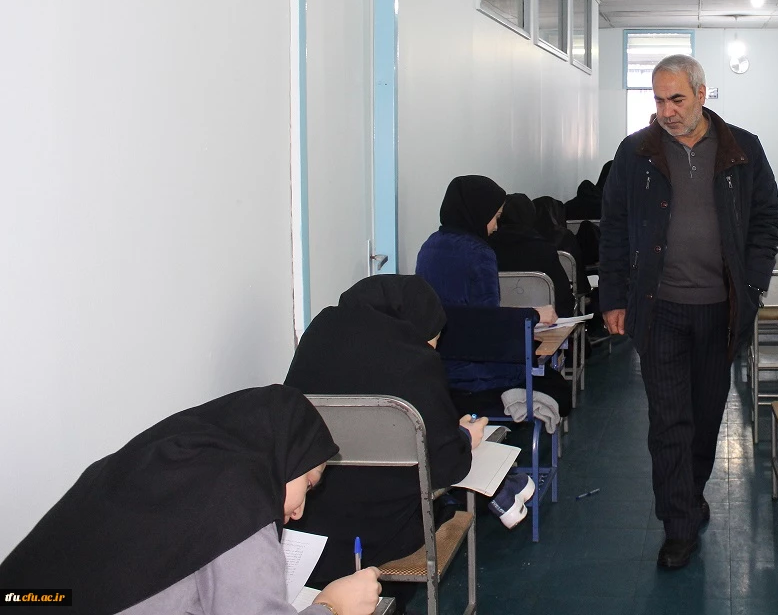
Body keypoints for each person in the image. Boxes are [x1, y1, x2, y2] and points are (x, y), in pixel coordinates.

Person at [601, 54, 778, 570]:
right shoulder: (636, 151)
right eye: (659, 100)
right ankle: (678, 525)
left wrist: (753, 283)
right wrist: (612, 296)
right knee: (669, 422)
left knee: (705, 419)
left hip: (721, 312)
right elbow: (613, 225)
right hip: (659, 309)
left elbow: (767, 216)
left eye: (676, 99)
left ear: (702, 94)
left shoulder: (742, 148)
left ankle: (691, 492)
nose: (667, 111)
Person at [0, 386, 381, 615]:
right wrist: (333, 606)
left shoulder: (167, 459)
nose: (299, 511)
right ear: (287, 456)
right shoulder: (237, 496)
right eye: (308, 485)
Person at [283, 275, 534, 596]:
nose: (434, 347)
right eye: (434, 339)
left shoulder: (317, 335)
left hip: (307, 524)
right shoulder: (415, 360)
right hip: (383, 533)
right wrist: (464, 437)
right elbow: (447, 468)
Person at [416, 175, 568, 414]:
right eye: (495, 217)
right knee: (557, 386)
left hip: (437, 367)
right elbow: (487, 327)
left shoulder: (428, 247)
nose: (496, 226)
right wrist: (533, 315)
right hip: (477, 374)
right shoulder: (480, 253)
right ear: (478, 212)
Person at [489, 193, 576, 318]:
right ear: (531, 215)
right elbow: (563, 295)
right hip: (543, 320)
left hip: (501, 319)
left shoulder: (487, 249)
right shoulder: (544, 249)